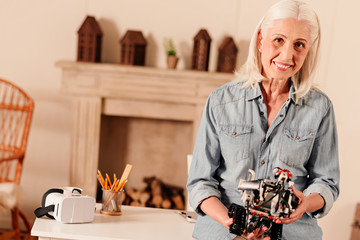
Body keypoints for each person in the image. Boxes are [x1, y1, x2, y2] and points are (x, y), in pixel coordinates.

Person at [186, 0, 340, 239]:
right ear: (260, 40)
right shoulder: (220, 101)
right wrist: (231, 222)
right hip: (225, 229)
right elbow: (199, 183)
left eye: (299, 44)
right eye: (278, 40)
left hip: (292, 232)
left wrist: (305, 203)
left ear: (308, 50)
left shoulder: (320, 108)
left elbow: (327, 182)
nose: (287, 55)